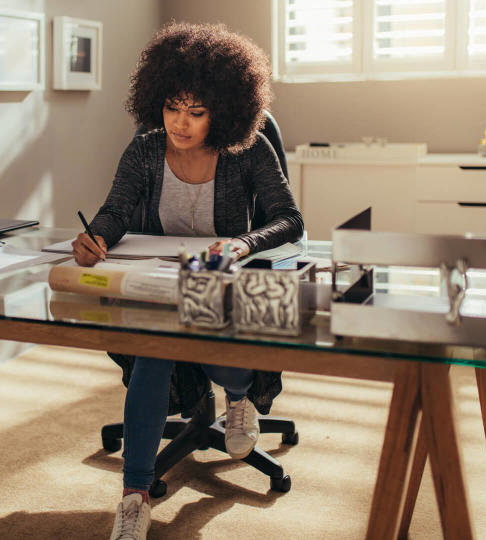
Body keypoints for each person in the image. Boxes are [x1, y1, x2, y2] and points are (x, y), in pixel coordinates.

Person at [70, 22, 304, 540]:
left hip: (221, 281)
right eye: (172, 107)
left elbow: (290, 219)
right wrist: (96, 239)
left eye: (196, 112)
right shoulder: (147, 150)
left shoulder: (249, 150)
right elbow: (115, 211)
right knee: (155, 351)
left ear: (223, 110)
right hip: (163, 282)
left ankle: (239, 400)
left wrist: (244, 242)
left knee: (225, 361)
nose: (180, 122)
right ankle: (134, 497)